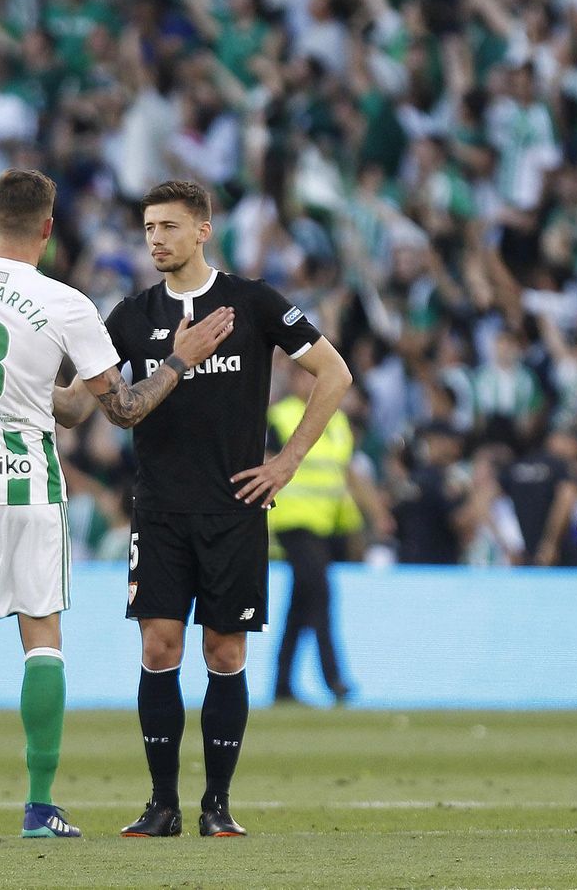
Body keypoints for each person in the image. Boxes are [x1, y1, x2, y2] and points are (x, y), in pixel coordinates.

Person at [0, 168, 234, 842]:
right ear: (49, 229)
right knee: (42, 639)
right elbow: (123, 411)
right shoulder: (66, 304)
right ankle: (38, 805)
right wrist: (175, 362)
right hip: (30, 483)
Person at [87, 180, 351, 838]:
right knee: (158, 646)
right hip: (160, 511)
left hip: (234, 509)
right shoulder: (132, 314)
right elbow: (89, 398)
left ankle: (217, 805)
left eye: (169, 227)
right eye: (148, 227)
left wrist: (286, 460)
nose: (155, 238)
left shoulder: (254, 302)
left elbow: (335, 373)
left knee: (225, 654)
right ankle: (161, 804)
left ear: (203, 231)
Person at [268, 359, 388, 706]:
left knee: (301, 603)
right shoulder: (280, 417)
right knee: (321, 595)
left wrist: (376, 513)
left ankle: (282, 685)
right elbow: (264, 461)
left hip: (329, 525)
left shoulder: (336, 421)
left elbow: (349, 472)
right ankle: (333, 677)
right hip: (293, 521)